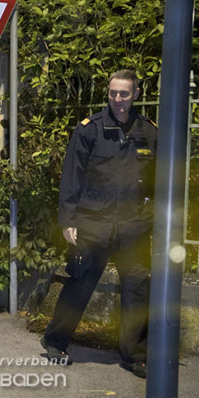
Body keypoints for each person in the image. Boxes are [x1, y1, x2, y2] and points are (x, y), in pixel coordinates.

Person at [41, 70, 157, 379]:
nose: (118, 99)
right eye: (113, 93)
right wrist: (68, 219)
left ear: (135, 94)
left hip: (133, 226)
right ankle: (55, 341)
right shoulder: (89, 130)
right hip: (94, 223)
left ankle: (134, 355)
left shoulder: (148, 131)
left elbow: (160, 180)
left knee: (137, 290)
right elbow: (71, 176)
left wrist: (152, 216)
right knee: (79, 284)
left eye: (124, 94)